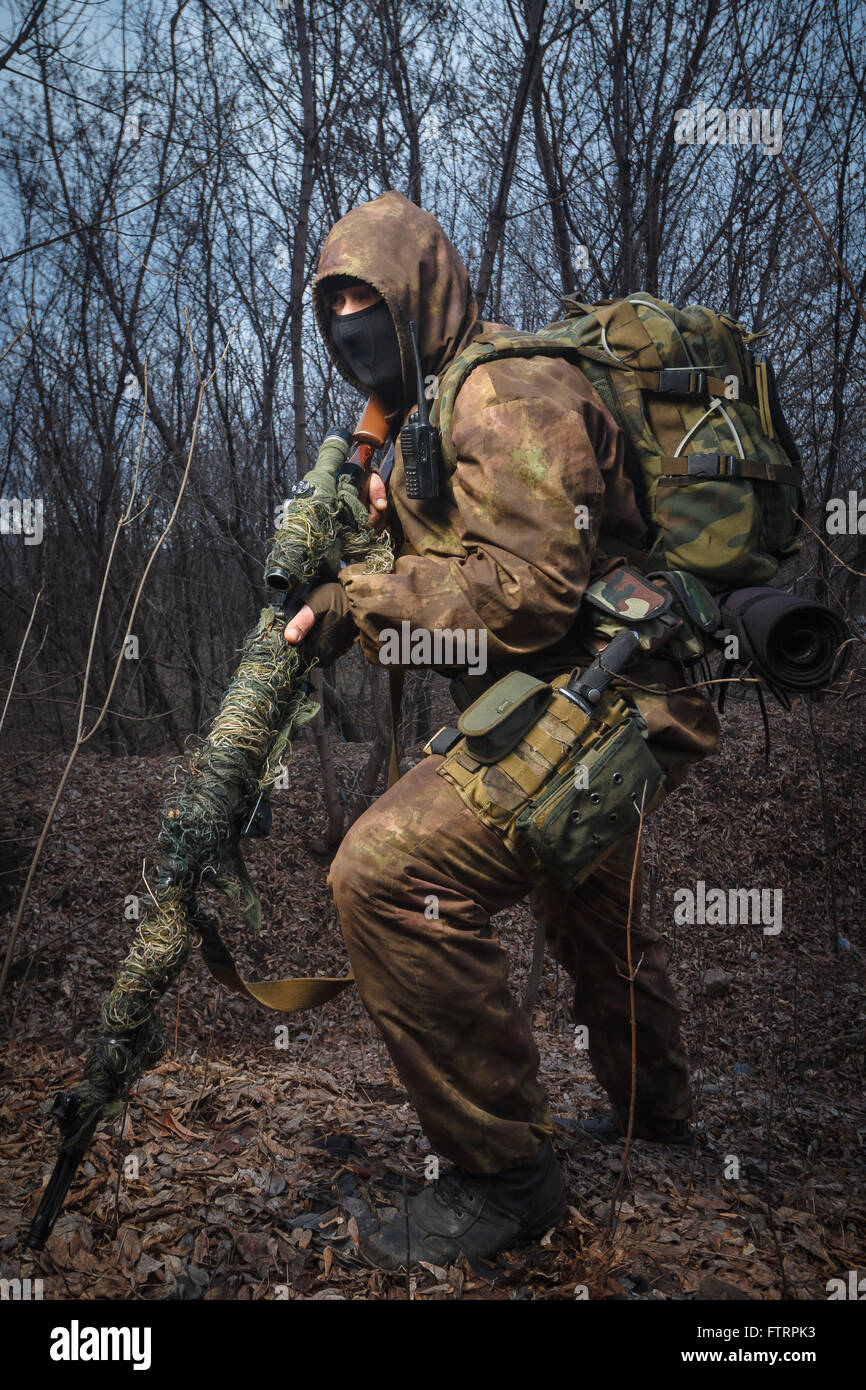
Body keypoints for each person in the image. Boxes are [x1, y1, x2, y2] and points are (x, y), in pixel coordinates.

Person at [284, 190, 720, 1270]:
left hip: (605, 692)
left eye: (365, 300)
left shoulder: (500, 390)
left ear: (420, 292)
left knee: (382, 876)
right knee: (593, 918)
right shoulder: (430, 405)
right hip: (592, 690)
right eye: (330, 303)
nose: (348, 324)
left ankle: (503, 1178)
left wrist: (363, 600)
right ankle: (652, 1118)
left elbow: (524, 591)